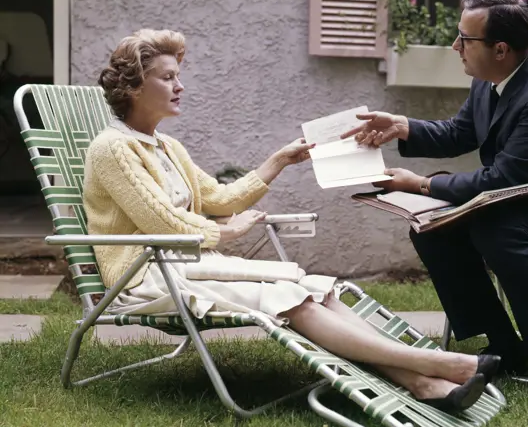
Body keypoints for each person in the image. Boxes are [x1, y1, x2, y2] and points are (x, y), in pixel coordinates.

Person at [82, 28, 500, 413]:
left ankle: (425, 384)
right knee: (291, 299)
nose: (180, 85)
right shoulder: (113, 149)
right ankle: (438, 363)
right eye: (168, 77)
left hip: (187, 263)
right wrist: (223, 232)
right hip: (147, 274)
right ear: (134, 86)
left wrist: (279, 160)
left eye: (178, 75)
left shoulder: (167, 146)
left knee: (316, 290)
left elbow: (220, 197)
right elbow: (164, 222)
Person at [341, 0, 528, 396]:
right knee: (431, 226)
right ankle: (504, 343)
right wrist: (403, 126)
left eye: (464, 39)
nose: (455, 47)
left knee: (498, 229)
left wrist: (419, 184)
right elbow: (461, 132)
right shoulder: (491, 81)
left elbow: (500, 179)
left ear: (500, 49)